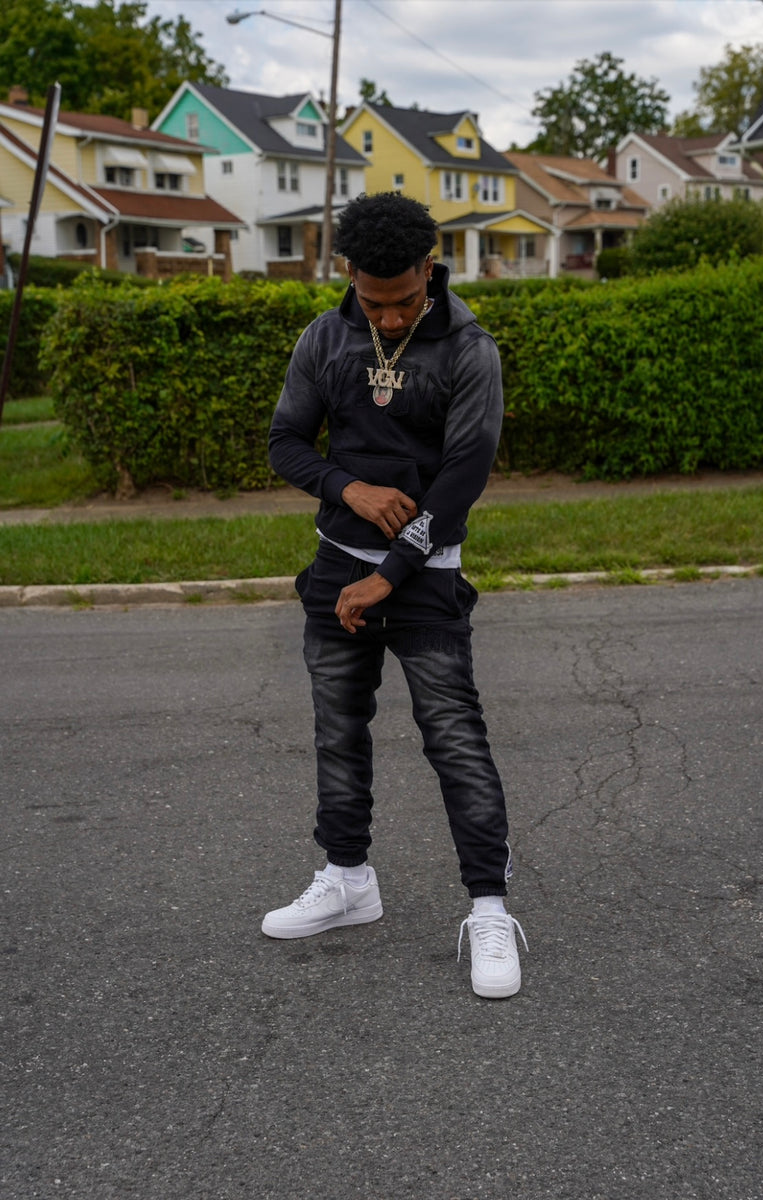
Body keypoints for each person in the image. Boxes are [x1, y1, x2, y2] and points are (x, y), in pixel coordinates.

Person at [263, 191, 527, 999]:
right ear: (348, 272)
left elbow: (464, 476)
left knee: (454, 737)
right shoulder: (326, 336)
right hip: (337, 565)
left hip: (427, 574)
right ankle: (347, 879)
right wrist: (349, 489)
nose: (388, 317)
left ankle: (489, 910)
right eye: (374, 302)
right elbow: (285, 442)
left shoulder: (469, 349)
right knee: (339, 731)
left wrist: (392, 571)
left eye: (405, 301)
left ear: (429, 267)